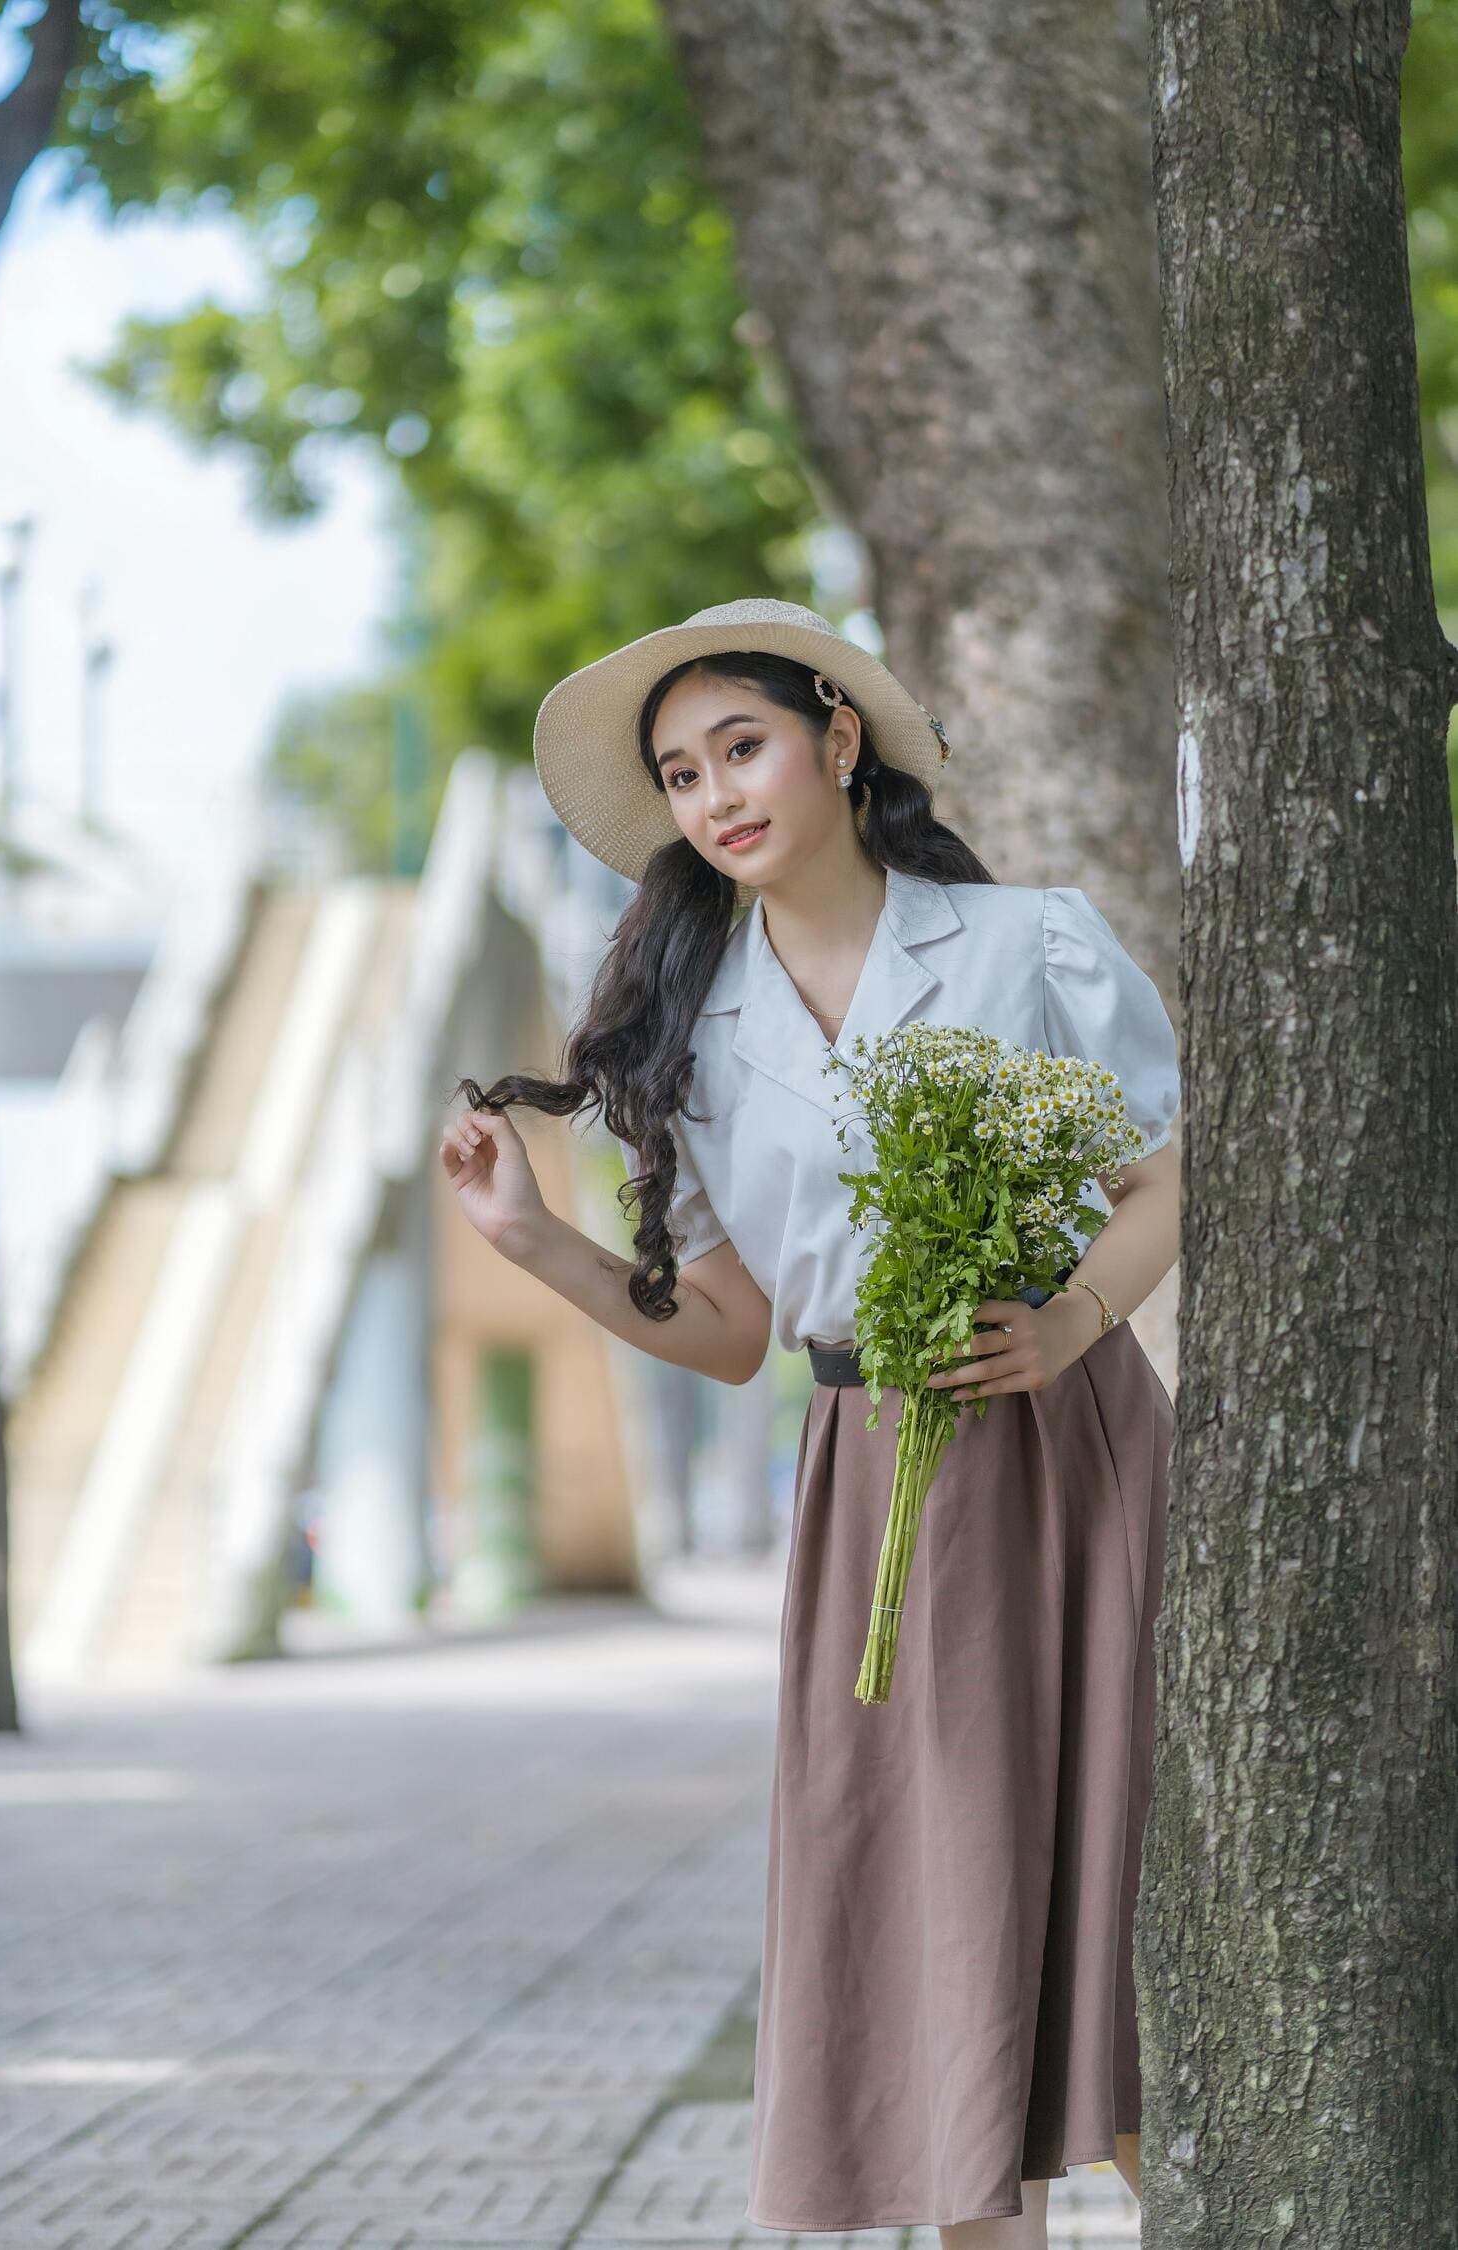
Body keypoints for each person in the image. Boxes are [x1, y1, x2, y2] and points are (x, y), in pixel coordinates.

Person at [439, 597, 1180, 2246]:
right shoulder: (693, 1036)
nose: (717, 795)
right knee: (932, 1922)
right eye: (683, 774)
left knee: (1130, 1908)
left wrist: (1067, 1320)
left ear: (839, 739)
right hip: (875, 1482)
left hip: (1072, 1452)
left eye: (743, 746)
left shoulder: (1028, 944)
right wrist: (535, 1238)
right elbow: (730, 1330)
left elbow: (1162, 1176)